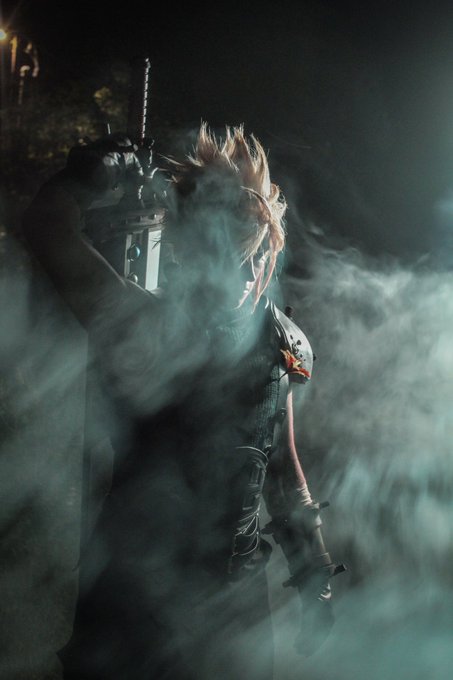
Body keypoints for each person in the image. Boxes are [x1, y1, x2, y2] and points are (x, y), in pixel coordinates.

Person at [23, 124, 341, 680]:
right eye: (221, 250)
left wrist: (313, 568)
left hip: (230, 608)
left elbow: (279, 466)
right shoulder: (143, 328)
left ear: (270, 254)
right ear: (191, 247)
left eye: (252, 255)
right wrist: (91, 176)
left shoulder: (279, 344)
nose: (239, 275)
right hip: (134, 608)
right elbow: (47, 226)